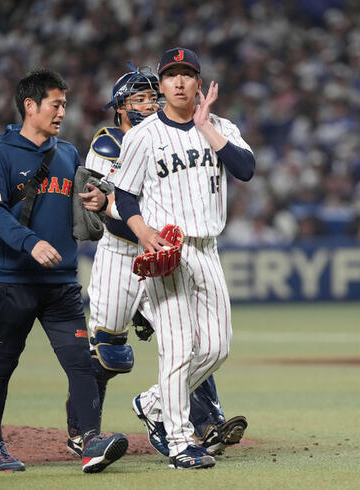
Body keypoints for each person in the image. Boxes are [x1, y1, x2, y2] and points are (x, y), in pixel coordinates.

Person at [65, 65, 248, 459]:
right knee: (110, 353)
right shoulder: (109, 144)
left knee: (189, 341)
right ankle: (83, 430)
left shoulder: (170, 134)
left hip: (169, 253)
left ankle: (203, 422)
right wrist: (112, 207)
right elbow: (110, 204)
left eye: (152, 96)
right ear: (120, 106)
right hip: (121, 253)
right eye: (139, 98)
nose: (148, 104)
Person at [0, 68, 128, 474]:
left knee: (80, 363)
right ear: (30, 106)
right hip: (15, 282)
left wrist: (97, 201)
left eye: (64, 104)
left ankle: (90, 441)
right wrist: (30, 242)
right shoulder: (0, 155)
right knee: (3, 365)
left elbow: (82, 202)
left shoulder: (67, 154)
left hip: (61, 281)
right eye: (55, 104)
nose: (63, 112)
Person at [113, 48, 255, 469]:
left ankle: (152, 403)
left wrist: (205, 127)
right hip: (168, 251)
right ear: (161, 84)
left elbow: (245, 169)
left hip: (208, 248)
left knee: (216, 348)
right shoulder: (143, 135)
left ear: (198, 83)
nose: (178, 82)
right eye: (171, 75)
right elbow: (124, 195)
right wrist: (143, 233)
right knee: (178, 348)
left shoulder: (220, 126)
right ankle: (179, 443)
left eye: (186, 74)